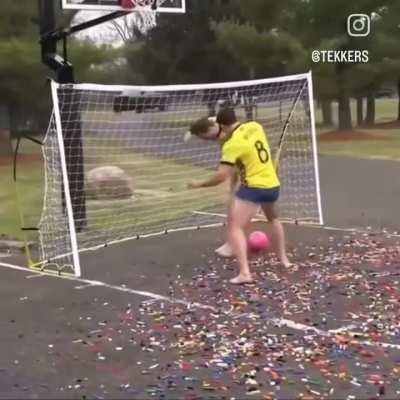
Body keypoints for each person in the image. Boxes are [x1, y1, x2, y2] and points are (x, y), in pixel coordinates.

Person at [187, 108, 290, 284]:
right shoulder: (255, 126)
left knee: (235, 226)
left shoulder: (231, 145)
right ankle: (284, 260)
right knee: (273, 219)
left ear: (222, 125)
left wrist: (199, 184)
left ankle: (244, 273)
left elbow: (221, 176)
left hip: (253, 188)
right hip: (272, 184)